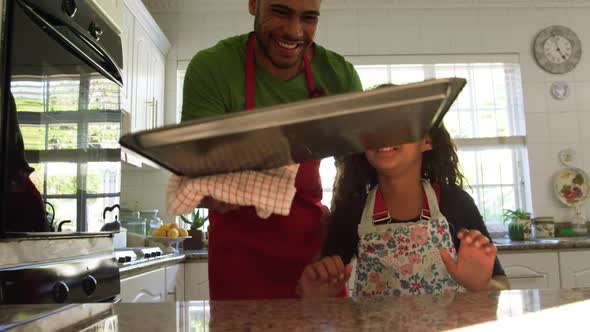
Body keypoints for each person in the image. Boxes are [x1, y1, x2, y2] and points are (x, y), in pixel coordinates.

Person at [181, 0, 363, 300]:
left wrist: (335, 242)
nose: (294, 31)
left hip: (315, 254)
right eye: (280, 12)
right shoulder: (214, 69)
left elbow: (356, 174)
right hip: (238, 258)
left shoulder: (338, 77)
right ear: (254, 4)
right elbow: (197, 183)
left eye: (309, 18)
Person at [298, 119, 510, 297]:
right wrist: (315, 294)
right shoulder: (352, 213)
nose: (384, 136)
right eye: (374, 129)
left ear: (426, 140)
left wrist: (481, 285)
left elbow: (503, 285)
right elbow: (320, 288)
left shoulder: (456, 203)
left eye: (398, 125)